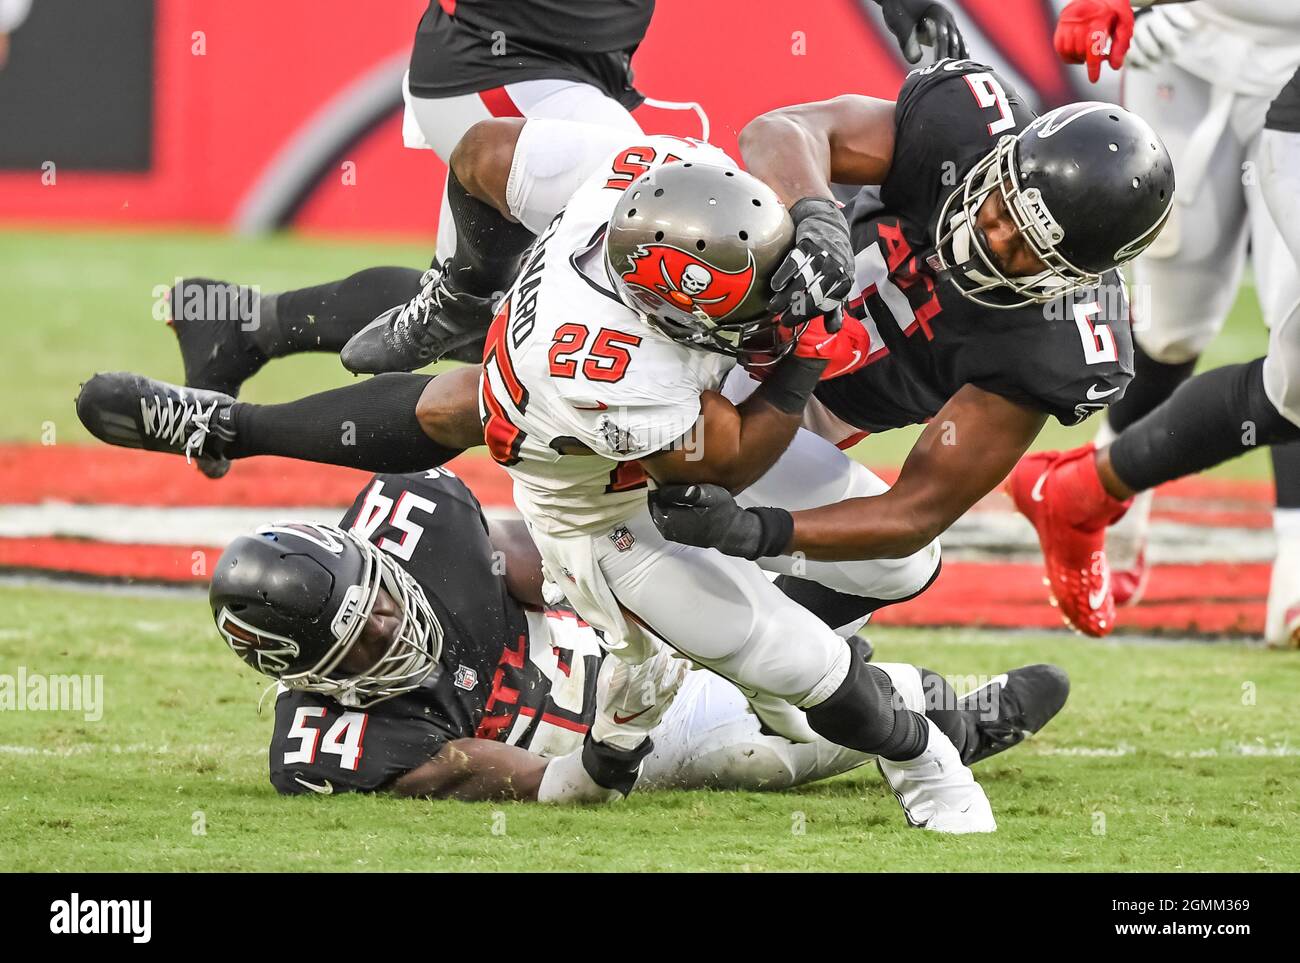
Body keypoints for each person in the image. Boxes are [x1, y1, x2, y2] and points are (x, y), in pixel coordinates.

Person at [216, 469, 1067, 802]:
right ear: (312, 674)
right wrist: (615, 739)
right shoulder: (336, 747)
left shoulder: (424, 522)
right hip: (610, 733)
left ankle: (843, 662)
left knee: (852, 582)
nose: (394, 628)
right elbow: (549, 787)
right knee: (755, 753)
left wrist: (646, 633)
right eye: (362, 643)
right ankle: (942, 722)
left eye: (382, 601)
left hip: (632, 635)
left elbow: (559, 561)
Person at [1012, 0, 1300, 644]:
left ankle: (1295, 562)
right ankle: (1102, 486)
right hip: (1184, 43)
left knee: (1294, 318)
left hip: (1293, 64)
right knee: (1174, 328)